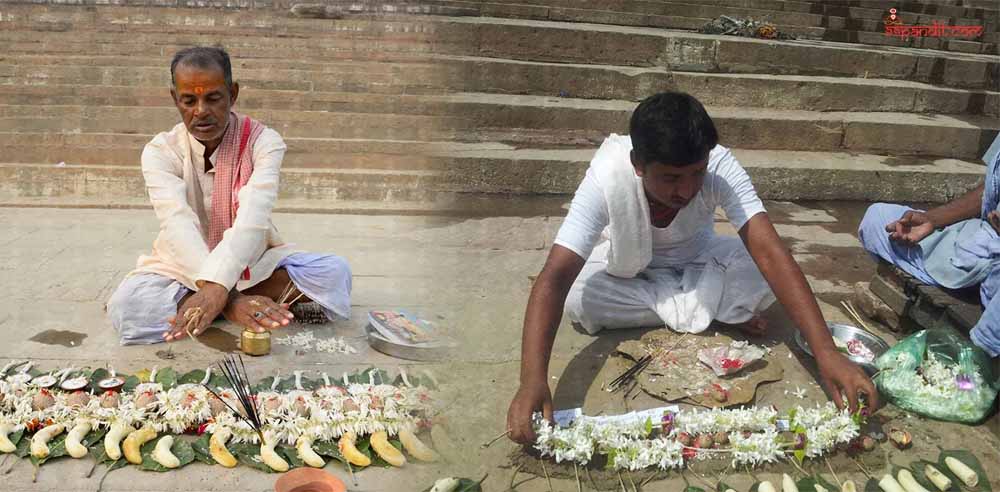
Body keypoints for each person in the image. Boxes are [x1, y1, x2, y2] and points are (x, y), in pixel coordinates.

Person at [506, 92, 878, 444]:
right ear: (638, 165)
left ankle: (691, 304)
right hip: (628, 268)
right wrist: (531, 380)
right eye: (670, 178)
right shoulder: (608, 175)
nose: (686, 190)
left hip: (698, 259)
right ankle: (708, 310)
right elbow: (555, 277)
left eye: (696, 173)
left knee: (762, 273)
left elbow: (769, 251)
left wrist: (827, 353)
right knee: (579, 298)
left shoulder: (719, 165)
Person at [106, 46, 352, 345]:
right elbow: (177, 224)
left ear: (232, 94)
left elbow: (253, 218)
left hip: (253, 263)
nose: (200, 111)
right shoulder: (160, 151)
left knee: (334, 273)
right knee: (127, 307)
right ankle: (233, 305)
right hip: (182, 268)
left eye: (213, 98)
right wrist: (230, 298)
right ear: (175, 99)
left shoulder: (264, 142)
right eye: (189, 100)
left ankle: (203, 306)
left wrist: (219, 287)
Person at [858, 134, 1000, 358]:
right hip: (980, 243)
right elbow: (989, 189)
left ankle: (980, 362)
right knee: (877, 218)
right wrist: (933, 219)